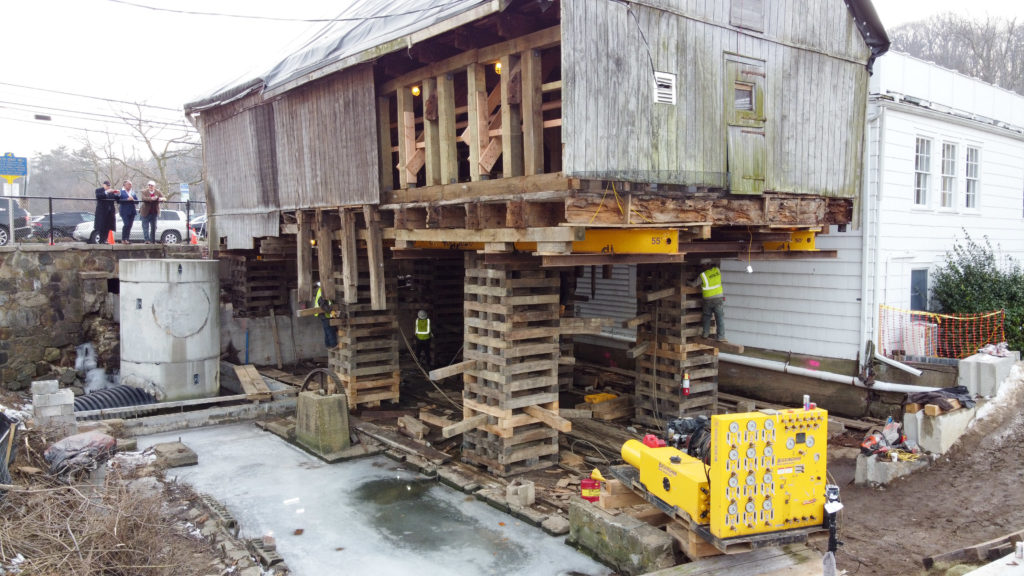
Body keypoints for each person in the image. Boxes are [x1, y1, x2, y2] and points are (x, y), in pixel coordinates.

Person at [694, 263, 725, 341]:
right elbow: (716, 266)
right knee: (719, 317)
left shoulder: (703, 275)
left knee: (707, 316)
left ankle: (705, 334)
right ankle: (720, 337)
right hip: (718, 299)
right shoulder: (717, 270)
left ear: (704, 266)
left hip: (707, 300)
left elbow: (693, 284)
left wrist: (686, 282)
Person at [314, 282, 338, 349]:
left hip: (324, 315)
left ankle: (328, 345)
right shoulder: (322, 293)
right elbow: (323, 305)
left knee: (327, 330)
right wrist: (331, 311)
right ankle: (334, 345)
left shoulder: (322, 291)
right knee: (330, 330)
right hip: (325, 315)